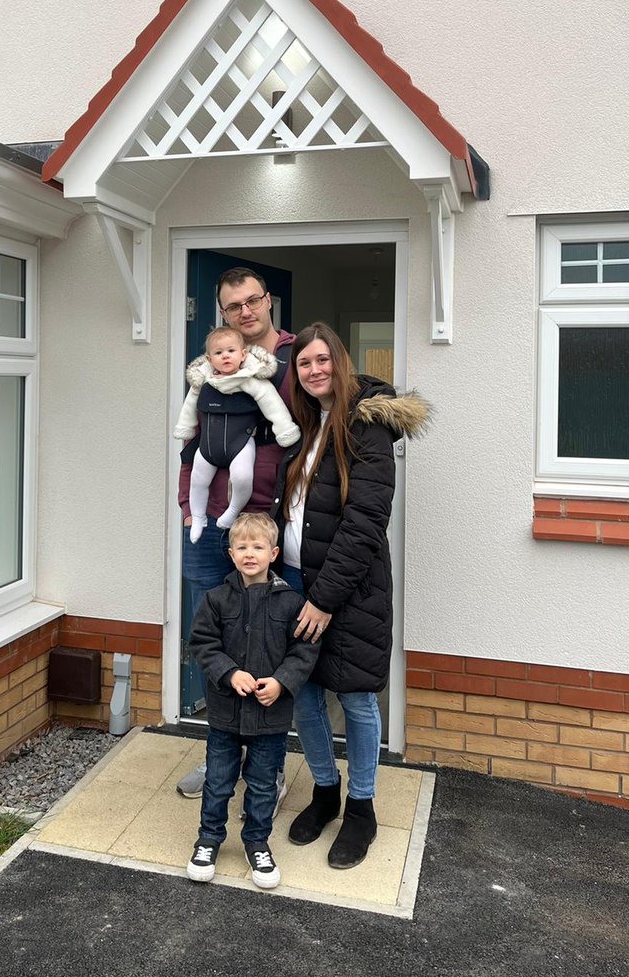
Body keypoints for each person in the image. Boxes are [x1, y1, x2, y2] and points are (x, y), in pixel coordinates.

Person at [274, 323, 428, 869]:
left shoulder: (368, 427)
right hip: (291, 582)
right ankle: (323, 790)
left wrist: (324, 599)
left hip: (347, 590)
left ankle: (360, 806)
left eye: (322, 360)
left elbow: (365, 523)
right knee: (308, 695)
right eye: (303, 364)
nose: (314, 371)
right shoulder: (300, 423)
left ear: (340, 362)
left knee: (357, 697)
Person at [176, 267, 296, 799]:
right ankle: (219, 761)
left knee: (271, 648)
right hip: (209, 532)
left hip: (270, 528)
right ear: (221, 314)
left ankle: (265, 766)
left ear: (269, 301)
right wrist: (188, 503)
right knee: (215, 645)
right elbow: (191, 441)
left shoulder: (293, 360)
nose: (245, 312)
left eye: (253, 301)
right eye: (233, 306)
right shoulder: (208, 369)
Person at [186, 513, 319, 889]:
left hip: (269, 715)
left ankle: (256, 842)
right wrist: (229, 673)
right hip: (226, 714)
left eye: (257, 547)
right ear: (231, 554)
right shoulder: (216, 599)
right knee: (218, 781)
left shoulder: (292, 603)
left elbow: (304, 649)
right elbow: (203, 643)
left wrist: (281, 682)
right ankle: (209, 838)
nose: (249, 554)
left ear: (273, 553)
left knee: (262, 784)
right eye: (241, 547)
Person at [174, 326, 300, 543]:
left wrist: (285, 429)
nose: (225, 356)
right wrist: (184, 427)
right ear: (209, 358)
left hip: (241, 443)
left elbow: (273, 405)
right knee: (198, 479)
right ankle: (198, 517)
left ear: (243, 355)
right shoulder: (203, 382)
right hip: (208, 446)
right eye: (218, 353)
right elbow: (189, 407)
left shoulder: (251, 380)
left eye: (231, 351)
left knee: (242, 477)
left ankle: (233, 510)